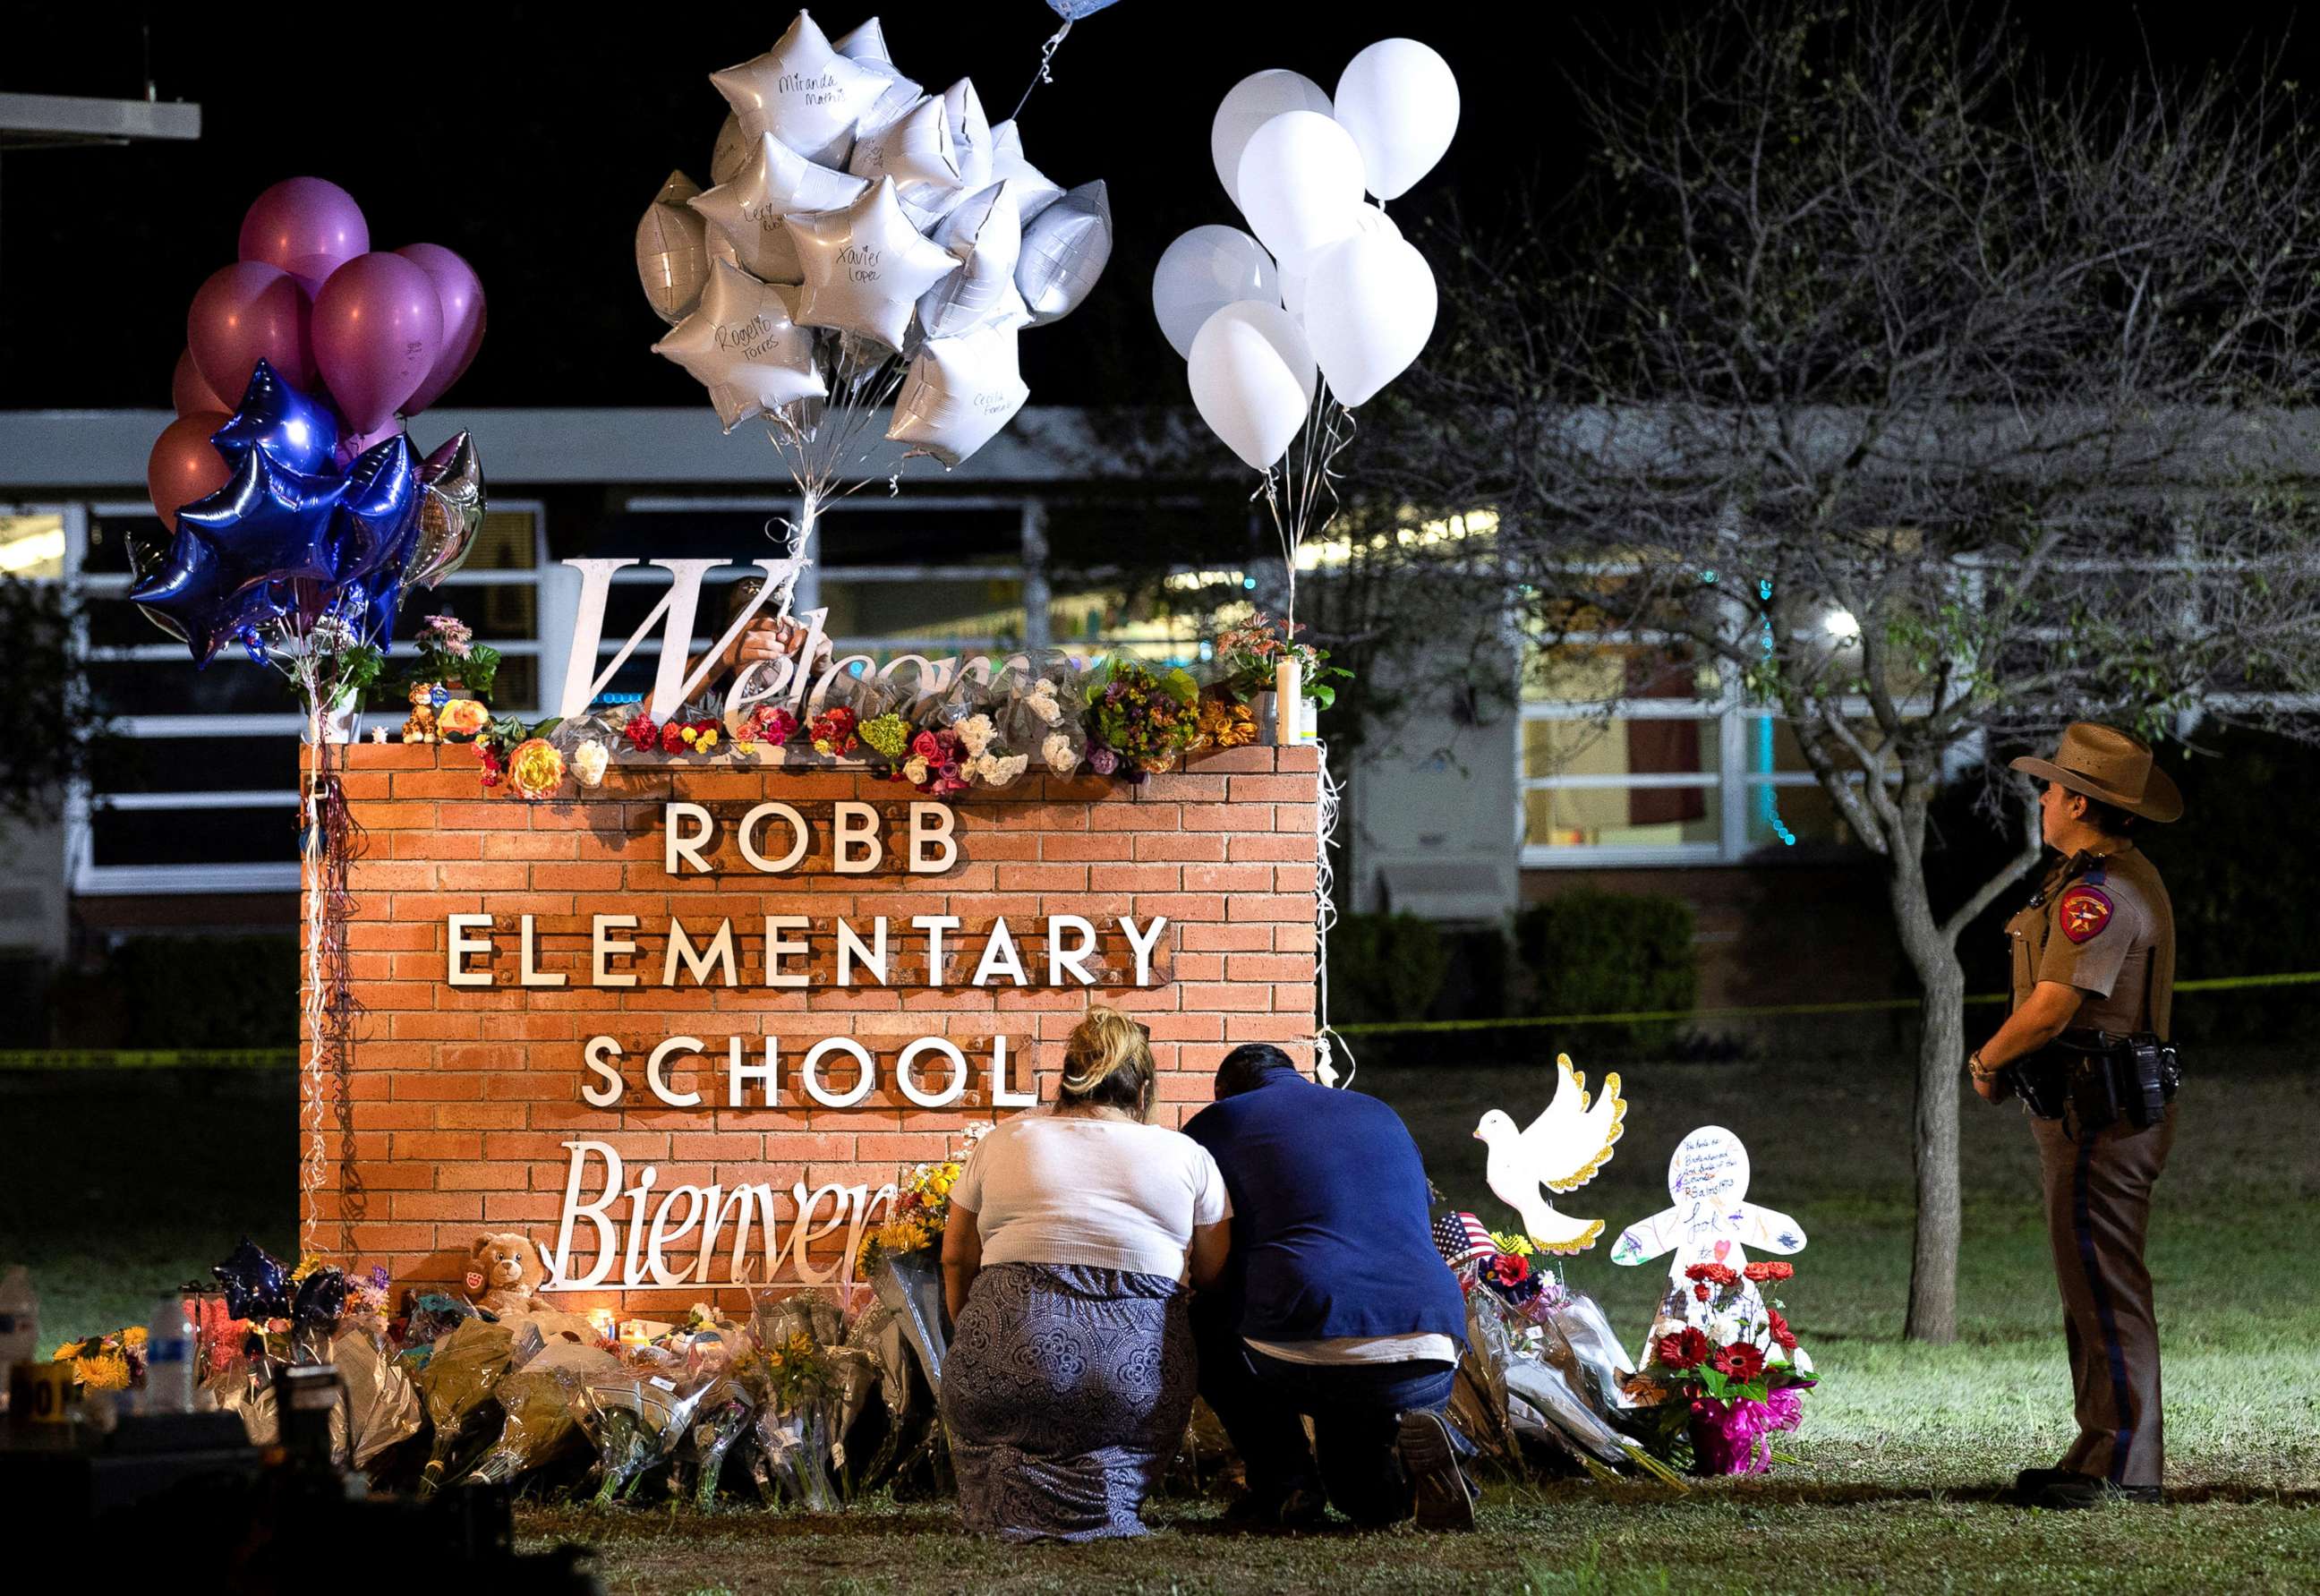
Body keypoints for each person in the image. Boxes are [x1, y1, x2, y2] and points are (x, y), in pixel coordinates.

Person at [1967, 722, 2182, 1509]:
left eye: (2055, 787)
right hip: (2088, 1112)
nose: (2044, 797)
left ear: (2083, 804)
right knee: (2088, 1284)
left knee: (2106, 1283)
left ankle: (2128, 1465)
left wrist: (1988, 1059)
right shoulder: (2089, 876)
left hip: (2104, 1115)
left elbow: (2054, 1008)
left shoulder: (2100, 894)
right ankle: (2099, 1448)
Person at [939, 1005, 1232, 1541]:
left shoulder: (1005, 1139)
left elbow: (955, 1257)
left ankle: (1005, 1505)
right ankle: (1107, 1502)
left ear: (1066, 1083)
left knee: (1004, 1415)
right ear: (1142, 1093)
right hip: (1131, 1377)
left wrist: (969, 1340)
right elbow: (1214, 1272)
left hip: (1002, 1363)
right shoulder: (1188, 1156)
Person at [1182, 1043, 1474, 1532]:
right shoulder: (1378, 1111)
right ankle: (1417, 1466)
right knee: (1364, 1501)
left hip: (1311, 1343)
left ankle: (1284, 1483)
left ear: (1224, 1091)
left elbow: (1199, 1237)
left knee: (1201, 1316)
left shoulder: (1219, 1122)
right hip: (1433, 1341)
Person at [644, 576, 832, 720]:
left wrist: (826, 671)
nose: (762, 640)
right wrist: (719, 658)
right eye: (746, 631)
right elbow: (651, 714)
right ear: (719, 640)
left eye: (773, 627)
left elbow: (858, 712)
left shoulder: (805, 695)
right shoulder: (708, 699)